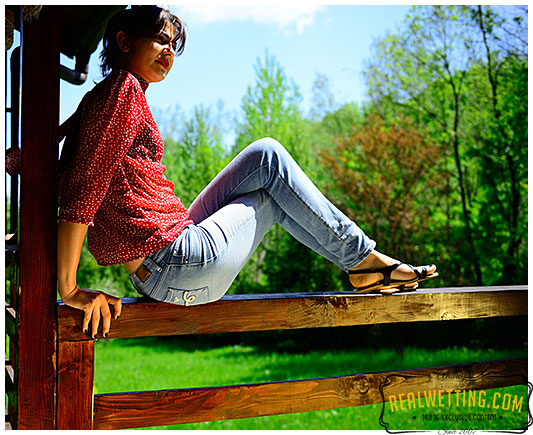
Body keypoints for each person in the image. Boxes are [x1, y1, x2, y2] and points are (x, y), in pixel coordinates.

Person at [57, 6, 437, 339]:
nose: (169, 51)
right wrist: (70, 288)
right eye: (159, 39)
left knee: (266, 155)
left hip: (168, 258)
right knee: (271, 175)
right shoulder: (121, 91)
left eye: (174, 45)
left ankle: (360, 263)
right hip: (175, 264)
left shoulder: (105, 97)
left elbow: (51, 161)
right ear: (124, 41)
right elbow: (83, 189)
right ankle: (364, 262)